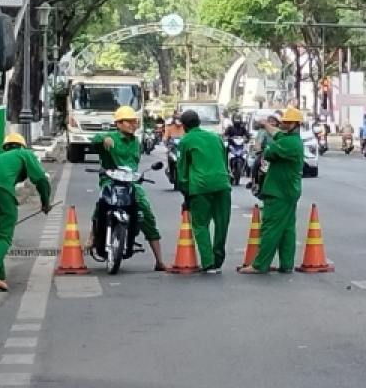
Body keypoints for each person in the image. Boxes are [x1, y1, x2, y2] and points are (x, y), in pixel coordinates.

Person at [85, 106, 169, 271]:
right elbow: (95, 140)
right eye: (128, 121)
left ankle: (159, 260)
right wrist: (103, 138)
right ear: (118, 124)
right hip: (110, 181)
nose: (132, 124)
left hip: (131, 183)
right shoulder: (111, 138)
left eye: (134, 121)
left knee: (146, 212)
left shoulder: (136, 142)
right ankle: (93, 235)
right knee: (102, 203)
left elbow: (133, 166)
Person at [0, 132, 53, 291]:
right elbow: (41, 179)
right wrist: (45, 202)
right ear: (21, 145)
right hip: (2, 191)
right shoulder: (24, 153)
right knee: (4, 234)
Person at [238, 107, 305, 274]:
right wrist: (265, 125)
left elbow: (267, 152)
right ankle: (286, 264)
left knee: (270, 228)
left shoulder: (288, 144)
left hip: (279, 192)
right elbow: (277, 133)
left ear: (295, 125)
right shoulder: (292, 139)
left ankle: (259, 265)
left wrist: (261, 145)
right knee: (287, 229)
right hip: (289, 190)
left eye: (287, 123)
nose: (283, 125)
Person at [175, 109, 232, 272]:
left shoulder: (186, 141)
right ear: (199, 122)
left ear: (184, 126)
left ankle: (209, 262)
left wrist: (185, 192)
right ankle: (219, 258)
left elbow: (182, 170)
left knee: (200, 224)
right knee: (222, 223)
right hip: (222, 184)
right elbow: (223, 160)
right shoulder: (216, 138)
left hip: (200, 187)